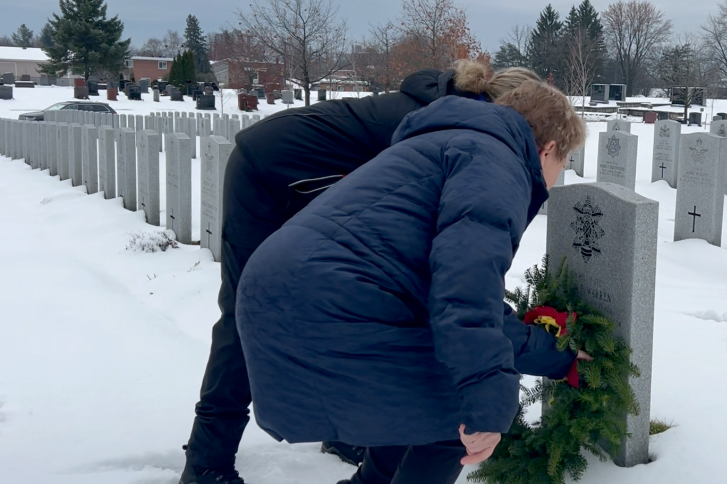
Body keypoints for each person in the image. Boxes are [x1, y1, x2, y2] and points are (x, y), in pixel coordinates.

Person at [179, 61, 545, 484]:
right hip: (272, 176)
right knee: (244, 314)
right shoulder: (454, 130)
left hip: (309, 183)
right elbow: (438, 276)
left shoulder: (456, 118)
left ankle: (344, 430)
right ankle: (207, 462)